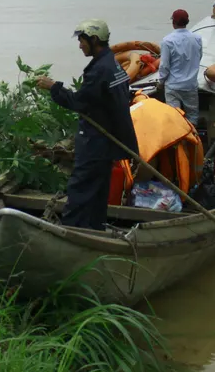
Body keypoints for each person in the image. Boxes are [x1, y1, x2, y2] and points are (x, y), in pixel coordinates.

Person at [35, 19, 140, 230]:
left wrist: (54, 87)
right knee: (98, 189)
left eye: (82, 40)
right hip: (108, 142)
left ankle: (71, 231)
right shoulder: (112, 64)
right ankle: (95, 228)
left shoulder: (100, 70)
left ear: (94, 40)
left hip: (96, 141)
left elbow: (79, 102)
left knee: (81, 188)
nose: (80, 45)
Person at [157, 8, 203, 128]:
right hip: (190, 85)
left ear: (173, 23)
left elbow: (164, 66)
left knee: (174, 118)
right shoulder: (197, 38)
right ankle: (193, 141)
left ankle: (178, 142)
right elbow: (199, 57)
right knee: (192, 117)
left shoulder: (167, 41)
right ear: (187, 22)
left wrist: (161, 82)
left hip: (173, 86)